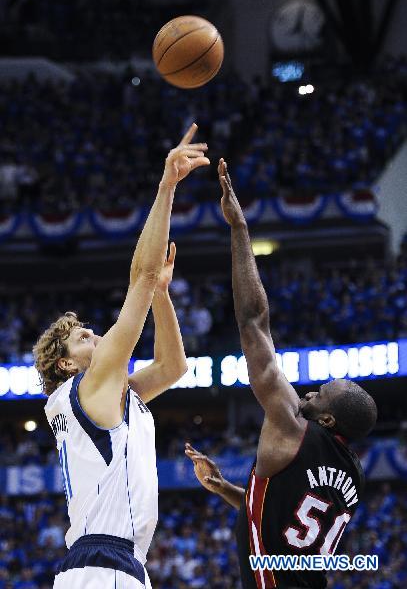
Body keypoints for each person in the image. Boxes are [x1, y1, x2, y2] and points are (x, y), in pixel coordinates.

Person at [185, 158, 377, 589]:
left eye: (321, 394)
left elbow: (253, 321)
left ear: (326, 420)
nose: (309, 392)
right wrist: (224, 488)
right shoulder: (353, 475)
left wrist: (238, 229)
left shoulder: (293, 425)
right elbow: (287, 538)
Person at [33, 123, 209, 589]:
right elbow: (141, 273)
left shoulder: (109, 394)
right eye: (81, 338)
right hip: (104, 564)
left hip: (107, 564)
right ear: (66, 364)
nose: (93, 334)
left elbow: (174, 367)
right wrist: (167, 186)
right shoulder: (91, 386)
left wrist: (163, 296)